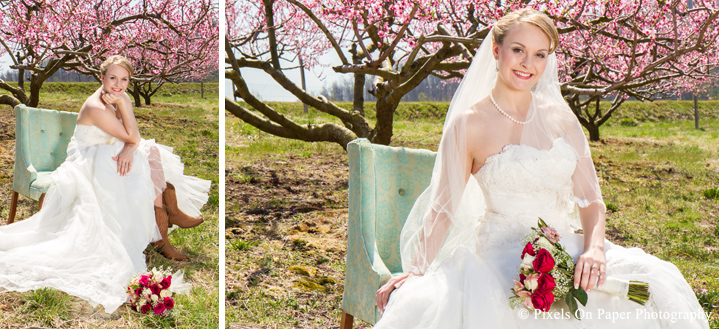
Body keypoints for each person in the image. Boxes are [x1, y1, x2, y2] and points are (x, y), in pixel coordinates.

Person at [373, 9, 709, 329]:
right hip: (501, 262)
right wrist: (415, 271)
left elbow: (592, 202)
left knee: (648, 286)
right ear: (496, 49)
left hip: (569, 250)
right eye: (518, 50)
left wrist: (593, 250)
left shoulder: (561, 119)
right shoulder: (468, 125)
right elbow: (443, 209)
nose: (527, 64)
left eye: (540, 54)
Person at [0, 55, 211, 313]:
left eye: (124, 80)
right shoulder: (97, 107)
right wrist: (128, 125)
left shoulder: (112, 98)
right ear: (101, 77)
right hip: (87, 159)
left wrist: (130, 141)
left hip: (104, 150)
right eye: (113, 78)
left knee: (149, 153)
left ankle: (164, 226)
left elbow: (133, 138)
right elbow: (132, 135)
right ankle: (163, 228)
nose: (118, 85)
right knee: (143, 158)